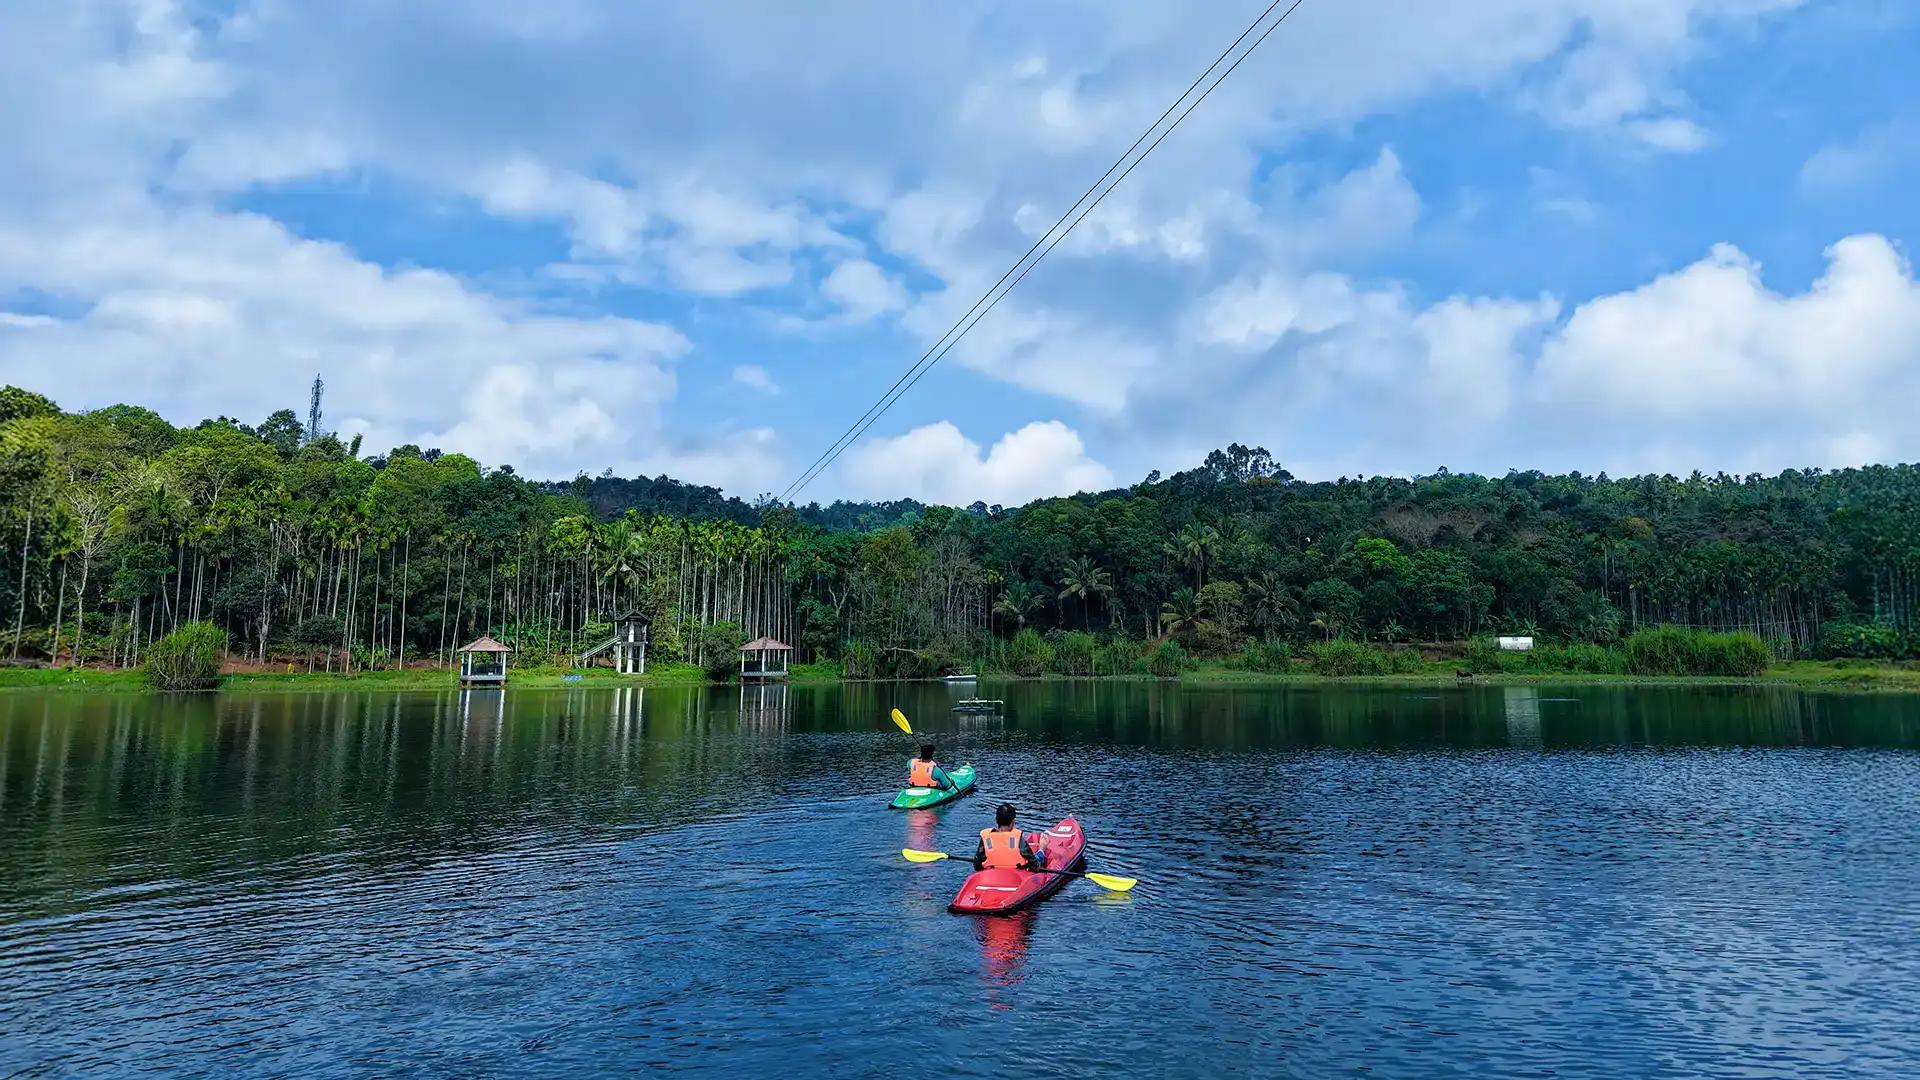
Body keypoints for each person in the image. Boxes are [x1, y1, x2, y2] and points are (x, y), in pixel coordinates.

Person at [974, 803, 1047, 872]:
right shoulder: (1018, 839)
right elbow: (1035, 865)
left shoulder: (986, 838)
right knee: (1039, 855)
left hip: (990, 875)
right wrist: (1041, 850)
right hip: (1017, 876)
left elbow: (977, 866)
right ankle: (1042, 849)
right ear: (1013, 822)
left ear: (996, 820)